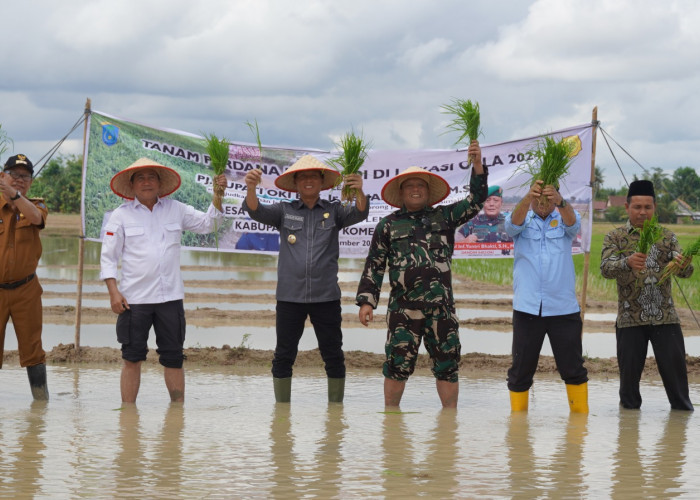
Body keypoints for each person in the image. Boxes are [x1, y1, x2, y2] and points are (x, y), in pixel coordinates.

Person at [356, 141, 487, 408]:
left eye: (420, 186)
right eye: (410, 186)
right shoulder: (388, 225)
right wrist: (367, 301)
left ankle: (448, 424)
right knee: (396, 365)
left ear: (428, 192)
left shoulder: (445, 217)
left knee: (448, 366)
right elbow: (375, 264)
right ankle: (391, 422)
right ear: (402, 193)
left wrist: (477, 166)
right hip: (404, 309)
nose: (415, 190)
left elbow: (476, 201)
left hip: (442, 310)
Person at [242, 155, 368, 403]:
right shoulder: (284, 210)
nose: (309, 181)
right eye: (303, 177)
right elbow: (256, 211)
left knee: (333, 355)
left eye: (314, 177)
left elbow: (360, 213)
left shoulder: (334, 211)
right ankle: (281, 415)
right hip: (290, 297)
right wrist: (250, 187)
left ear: (322, 183)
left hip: (326, 297)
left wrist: (360, 191)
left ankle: (335, 414)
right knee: (284, 355)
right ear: (296, 183)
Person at [100, 157, 226, 404]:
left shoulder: (176, 209)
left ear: (159, 183)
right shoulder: (120, 215)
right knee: (132, 358)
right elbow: (108, 257)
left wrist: (218, 195)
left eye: (151, 177)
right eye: (141, 178)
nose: (146, 182)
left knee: (174, 357)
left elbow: (209, 224)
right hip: (133, 301)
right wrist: (114, 293)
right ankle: (128, 416)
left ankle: (177, 414)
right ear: (133, 185)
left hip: (169, 298)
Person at [601, 179, 694, 410]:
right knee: (629, 394)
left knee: (680, 392)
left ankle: (677, 437)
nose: (643, 212)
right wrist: (627, 262)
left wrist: (683, 264)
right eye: (637, 207)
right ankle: (628, 441)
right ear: (627, 207)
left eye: (648, 207)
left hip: (666, 318)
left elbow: (687, 272)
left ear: (655, 208)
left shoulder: (667, 237)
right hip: (629, 320)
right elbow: (605, 268)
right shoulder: (615, 237)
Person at [504, 180, 588, 413]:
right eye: (537, 198)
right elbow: (512, 225)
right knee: (520, 370)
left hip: (563, 308)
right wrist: (526, 198)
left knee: (573, 369)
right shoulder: (521, 219)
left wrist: (560, 201)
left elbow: (573, 224)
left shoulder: (565, 218)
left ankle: (579, 426)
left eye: (547, 199)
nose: (542, 204)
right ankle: (518, 429)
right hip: (528, 308)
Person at [0, 154, 49, 400]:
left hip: (26, 290)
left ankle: (40, 408)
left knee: (33, 351)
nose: (20, 180)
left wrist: (16, 197)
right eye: (14, 175)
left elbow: (37, 219)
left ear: (30, 182)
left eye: (25, 176)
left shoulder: (36, 205)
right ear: (2, 176)